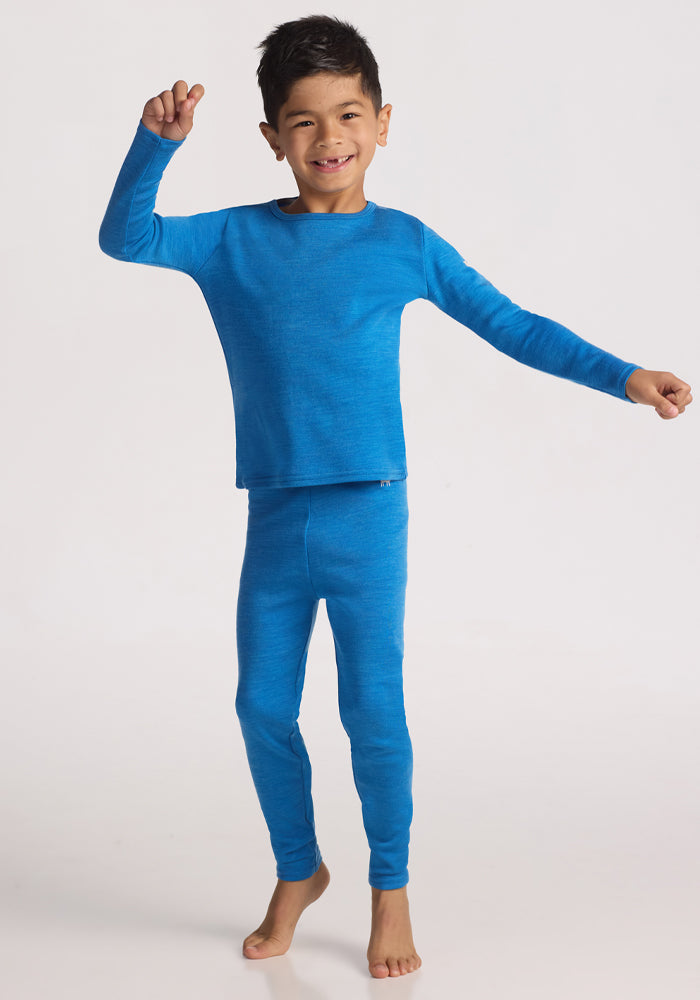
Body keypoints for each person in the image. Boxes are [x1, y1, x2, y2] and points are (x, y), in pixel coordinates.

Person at [98, 14, 692, 979]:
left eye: (346, 114)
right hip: (277, 514)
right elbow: (126, 239)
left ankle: (391, 888)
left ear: (381, 123)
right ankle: (300, 869)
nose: (327, 137)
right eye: (301, 121)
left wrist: (622, 374)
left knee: (373, 710)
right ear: (271, 139)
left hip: (370, 513)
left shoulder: (404, 243)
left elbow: (512, 325)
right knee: (260, 706)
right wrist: (154, 145)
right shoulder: (234, 242)